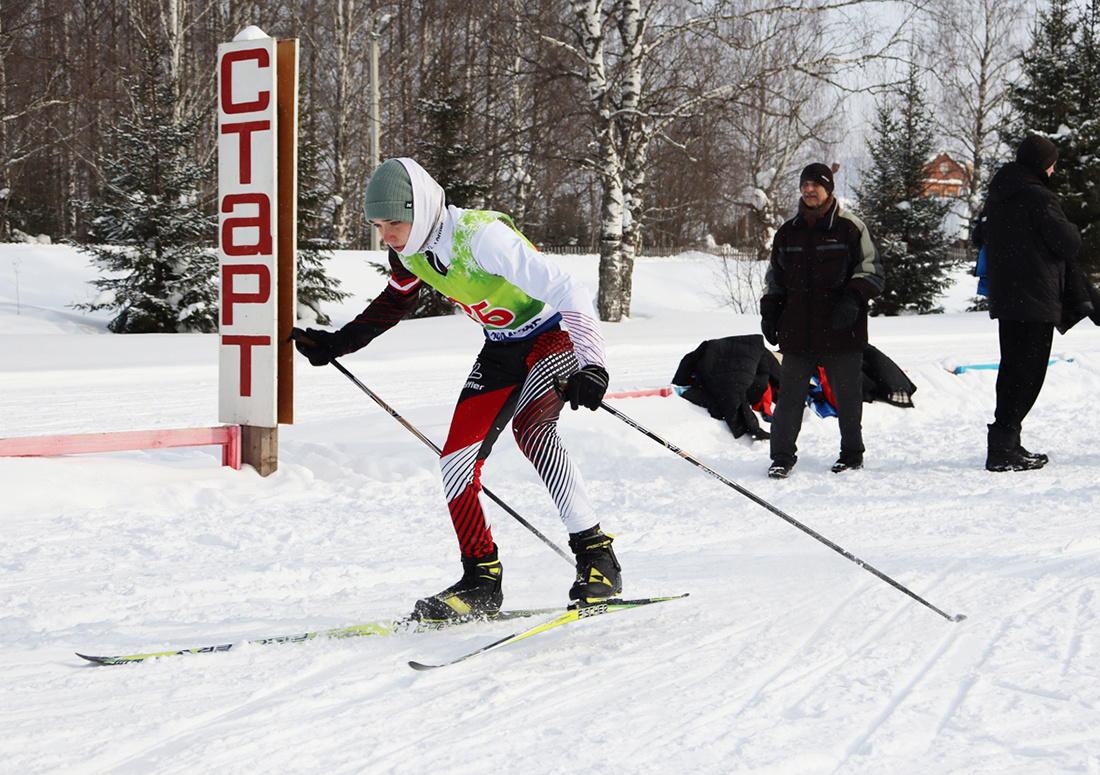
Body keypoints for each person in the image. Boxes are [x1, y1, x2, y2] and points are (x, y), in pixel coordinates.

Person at [294, 157, 621, 620]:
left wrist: (593, 366)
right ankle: (481, 578)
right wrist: (339, 342)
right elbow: (397, 299)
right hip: (502, 347)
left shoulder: (481, 237)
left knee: (532, 430)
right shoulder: (408, 250)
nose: (386, 234)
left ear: (423, 208)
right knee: (455, 460)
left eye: (395, 222)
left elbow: (570, 290)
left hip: (552, 333)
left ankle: (597, 558)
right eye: (378, 224)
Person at [759, 163, 885, 479]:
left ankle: (852, 454)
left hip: (841, 331)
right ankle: (781, 457)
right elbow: (775, 278)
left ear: (828, 190)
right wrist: (769, 311)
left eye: (816, 185)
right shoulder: (787, 233)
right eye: (805, 185)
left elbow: (872, 271)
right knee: (788, 399)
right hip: (798, 333)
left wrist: (853, 299)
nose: (809, 190)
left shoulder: (851, 228)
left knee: (847, 398)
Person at [972, 135, 1084, 471]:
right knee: (1028, 373)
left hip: (1008, 298)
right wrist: (1074, 229)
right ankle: (1003, 447)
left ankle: (1007, 442)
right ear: (1040, 163)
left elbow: (980, 235)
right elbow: (1067, 243)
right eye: (1052, 162)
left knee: (1013, 369)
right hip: (1036, 298)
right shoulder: (1039, 197)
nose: (1053, 168)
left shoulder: (999, 194)